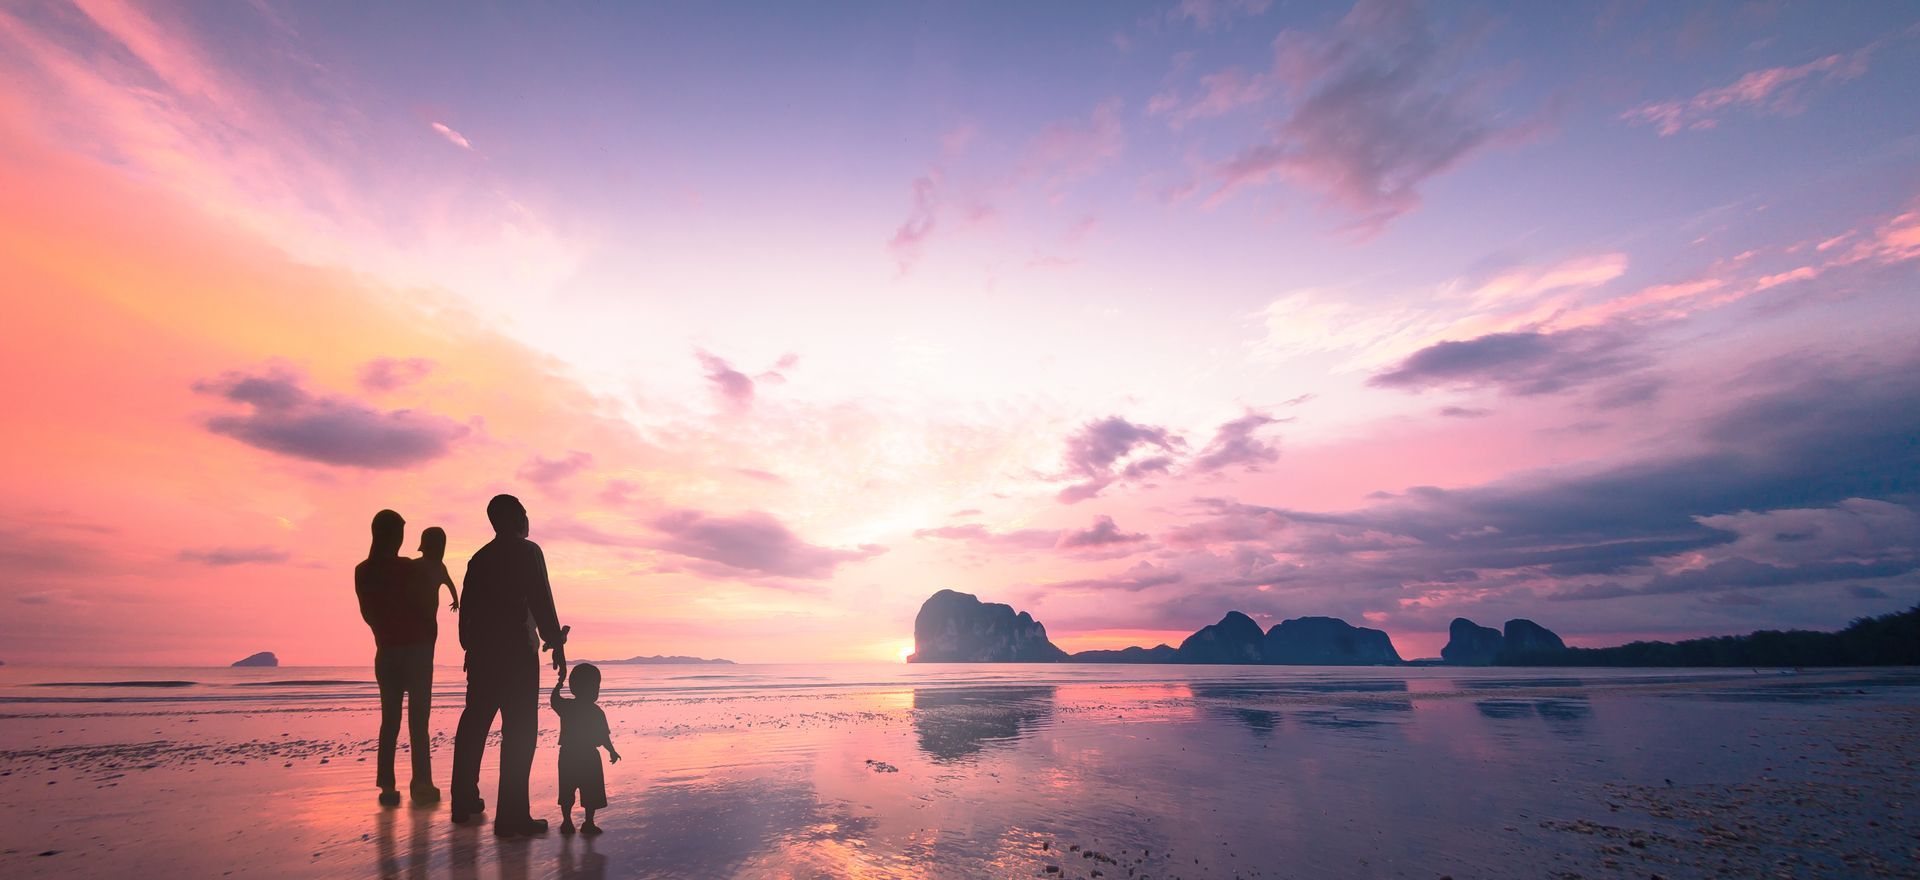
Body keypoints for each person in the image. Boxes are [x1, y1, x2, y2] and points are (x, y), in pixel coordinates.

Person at [450, 494, 567, 836]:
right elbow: (541, 598)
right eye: (525, 514)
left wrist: (471, 650)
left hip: (483, 656)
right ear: (518, 518)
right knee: (519, 733)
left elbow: (466, 613)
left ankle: (463, 801)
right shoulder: (528, 551)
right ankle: (512, 815)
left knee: (474, 727)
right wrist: (555, 643)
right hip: (517, 654)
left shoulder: (478, 559)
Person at [353, 509, 440, 806]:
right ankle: (422, 782)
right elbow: (424, 605)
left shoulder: (362, 570)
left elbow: (367, 613)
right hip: (416, 650)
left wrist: (384, 630)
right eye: (400, 533)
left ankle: (387, 786)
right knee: (418, 720)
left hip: (386, 650)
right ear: (392, 534)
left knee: (390, 720)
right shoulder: (408, 568)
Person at [550, 656, 619, 835]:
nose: (596, 690)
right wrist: (611, 751)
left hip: (568, 754)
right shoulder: (596, 712)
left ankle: (567, 821)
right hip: (588, 756)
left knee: (567, 789)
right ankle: (587, 822)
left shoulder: (567, 706)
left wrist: (558, 685)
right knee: (591, 791)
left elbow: (554, 701)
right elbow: (604, 737)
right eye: (595, 686)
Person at [416, 527, 460, 612]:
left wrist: (456, 601)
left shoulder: (439, 568)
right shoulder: (439, 568)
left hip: (429, 608)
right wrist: (456, 601)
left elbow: (450, 585)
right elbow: (450, 585)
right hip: (421, 607)